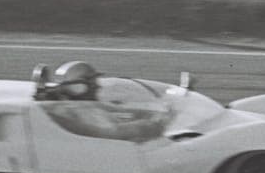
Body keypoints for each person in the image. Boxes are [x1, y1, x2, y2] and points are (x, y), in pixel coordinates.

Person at [34, 61, 169, 143]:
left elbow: (114, 110)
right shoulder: (78, 112)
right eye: (92, 83)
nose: (98, 86)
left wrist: (150, 113)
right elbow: (112, 133)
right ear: (79, 87)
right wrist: (150, 125)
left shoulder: (79, 106)